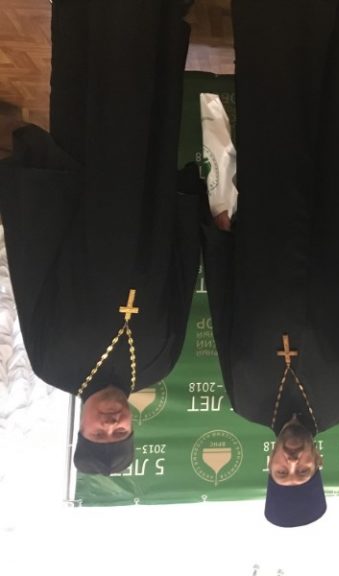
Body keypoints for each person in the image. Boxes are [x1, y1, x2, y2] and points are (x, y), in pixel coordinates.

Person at [202, 0, 339, 527]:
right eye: (303, 472)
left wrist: (220, 243)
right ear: (319, 464)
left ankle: (274, 19)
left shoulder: (244, 401)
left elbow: (223, 313)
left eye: (283, 473)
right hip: (337, 236)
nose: (293, 462)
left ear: (268, 467)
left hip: (265, 236)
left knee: (274, 123)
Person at [0, 0, 198, 475]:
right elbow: (179, 281)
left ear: (81, 429)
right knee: (153, 100)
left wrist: (41, 190)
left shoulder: (52, 364)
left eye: (98, 433)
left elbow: (34, 273)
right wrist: (184, 207)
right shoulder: (158, 365)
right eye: (120, 433)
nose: (111, 424)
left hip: (85, 185)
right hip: (148, 197)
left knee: (92, 82)